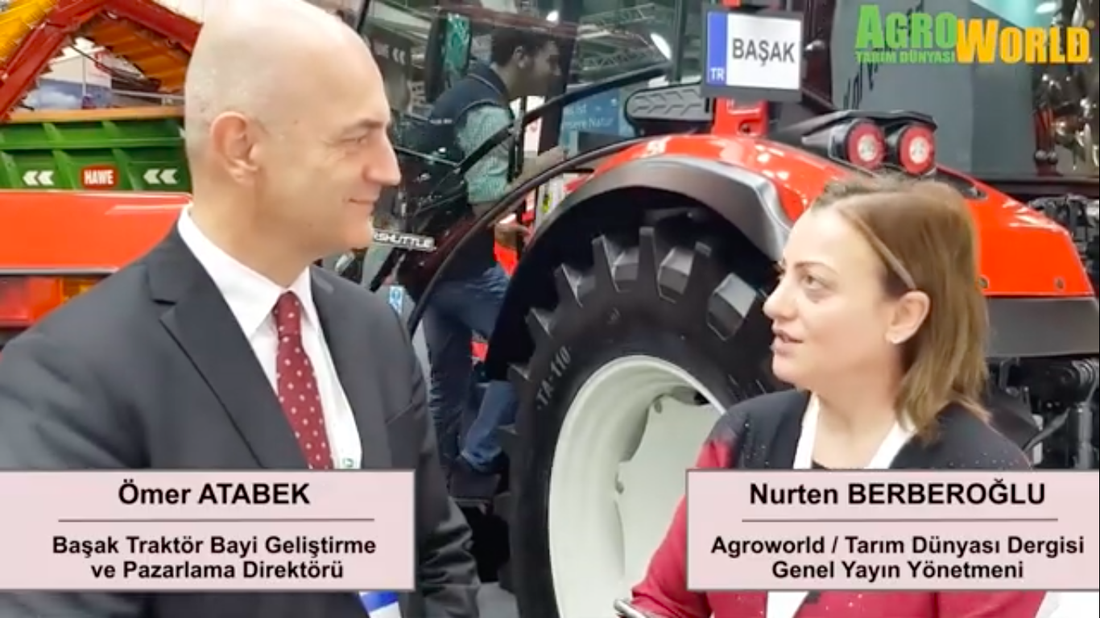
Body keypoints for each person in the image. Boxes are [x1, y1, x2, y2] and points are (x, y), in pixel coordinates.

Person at [0, 2, 479, 617]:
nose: (388, 169)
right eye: (356, 138)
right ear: (242, 146)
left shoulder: (373, 334)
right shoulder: (72, 381)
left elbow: (437, 554)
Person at [627, 176, 1053, 617]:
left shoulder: (986, 485)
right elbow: (666, 603)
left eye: (813, 282)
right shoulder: (742, 439)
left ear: (904, 316)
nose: (774, 304)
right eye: (783, 275)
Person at [419, 25, 564, 496]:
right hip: (465, 270)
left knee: (448, 381)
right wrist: (542, 168)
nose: (556, 71)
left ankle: (433, 480)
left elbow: (454, 188)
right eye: (550, 59)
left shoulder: (458, 98)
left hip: (428, 265)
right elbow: (486, 202)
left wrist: (493, 228)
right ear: (521, 56)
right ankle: (478, 460)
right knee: (530, 345)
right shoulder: (487, 112)